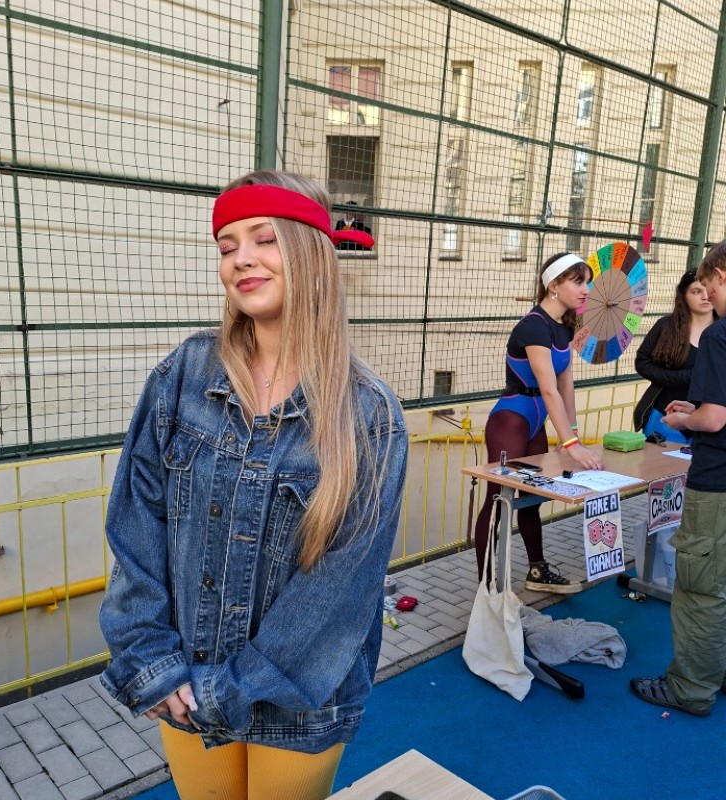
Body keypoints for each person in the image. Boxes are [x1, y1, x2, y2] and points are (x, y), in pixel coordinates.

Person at [99, 170, 408, 800]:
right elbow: (137, 524)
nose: (241, 258)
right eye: (227, 245)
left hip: (301, 700)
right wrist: (151, 657)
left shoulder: (368, 414)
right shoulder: (183, 375)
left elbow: (342, 588)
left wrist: (229, 689)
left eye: (264, 239)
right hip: (185, 682)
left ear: (311, 253)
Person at [631, 242, 726, 717]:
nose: (708, 295)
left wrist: (686, 418)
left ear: (721, 275)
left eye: (709, 285)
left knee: (700, 589)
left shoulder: (719, 336)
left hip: (717, 478)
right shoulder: (675, 329)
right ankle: (716, 671)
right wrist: (698, 408)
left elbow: (714, 419)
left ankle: (690, 687)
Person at [473, 252, 604, 593]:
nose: (586, 289)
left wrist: (572, 435)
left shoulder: (564, 327)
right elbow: (548, 389)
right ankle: (487, 587)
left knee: (531, 498)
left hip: (537, 423)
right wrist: (572, 446)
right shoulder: (534, 325)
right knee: (497, 501)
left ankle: (537, 571)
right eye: (578, 281)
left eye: (588, 282)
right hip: (511, 421)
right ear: (553, 286)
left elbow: (565, 384)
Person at [633, 268, 715, 443]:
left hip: (707, 419)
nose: (705, 296)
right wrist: (680, 378)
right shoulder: (666, 326)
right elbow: (642, 362)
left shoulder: (721, 331)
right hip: (664, 414)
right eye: (696, 291)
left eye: (708, 289)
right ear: (683, 295)